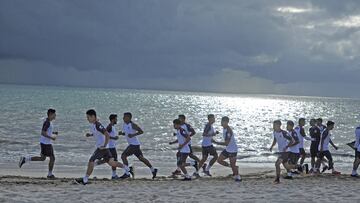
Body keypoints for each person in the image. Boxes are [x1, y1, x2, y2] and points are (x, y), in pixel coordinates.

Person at [75, 109, 129, 185]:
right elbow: (98, 133)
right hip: (104, 148)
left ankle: (85, 179)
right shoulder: (94, 124)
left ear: (93, 116)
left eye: (88, 117)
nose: (87, 119)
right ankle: (127, 168)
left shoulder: (97, 124)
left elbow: (106, 134)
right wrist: (90, 135)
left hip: (101, 148)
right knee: (111, 163)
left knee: (91, 161)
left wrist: (104, 145)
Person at [19, 109, 58, 179]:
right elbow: (43, 133)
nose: (55, 116)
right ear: (50, 114)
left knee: (43, 158)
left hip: (44, 143)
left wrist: (53, 133)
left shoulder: (48, 121)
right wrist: (52, 137)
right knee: (52, 158)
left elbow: (46, 132)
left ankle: (25, 159)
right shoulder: (47, 122)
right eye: (54, 114)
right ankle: (49, 175)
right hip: (46, 144)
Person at [119, 112, 157, 179]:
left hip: (134, 145)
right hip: (135, 145)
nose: (123, 118)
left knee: (123, 156)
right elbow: (127, 132)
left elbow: (141, 131)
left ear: (129, 118)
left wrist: (133, 135)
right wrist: (122, 133)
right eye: (123, 117)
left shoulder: (133, 125)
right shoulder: (125, 124)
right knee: (141, 158)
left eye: (124, 117)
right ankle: (153, 170)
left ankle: (127, 172)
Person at [213, 116, 241, 182]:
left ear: (226, 122)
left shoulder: (228, 131)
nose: (221, 123)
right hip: (228, 149)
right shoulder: (224, 129)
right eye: (221, 121)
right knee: (219, 160)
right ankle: (234, 168)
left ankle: (238, 177)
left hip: (232, 150)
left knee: (232, 165)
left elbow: (226, 143)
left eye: (222, 122)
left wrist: (216, 142)